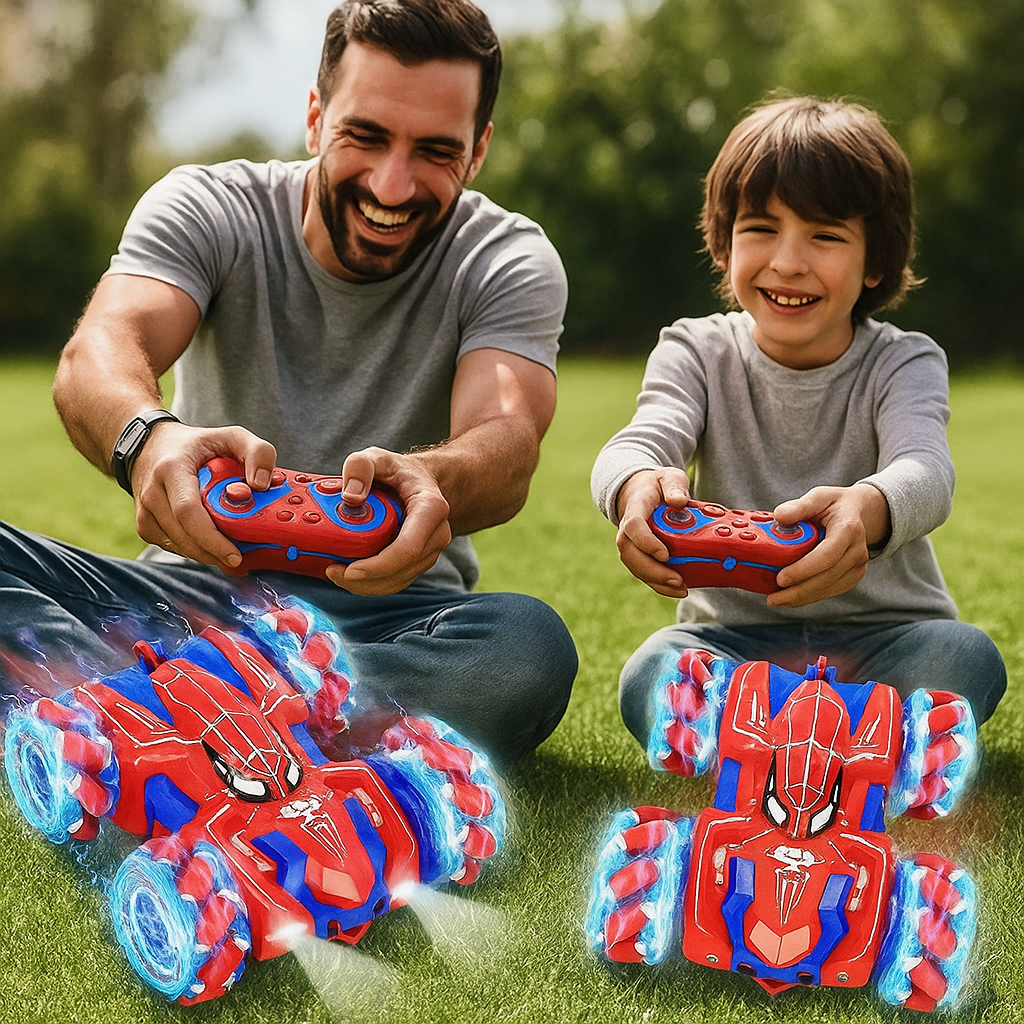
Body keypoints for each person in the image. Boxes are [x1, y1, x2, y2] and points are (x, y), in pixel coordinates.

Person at [0, 0, 577, 764]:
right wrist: (150, 441)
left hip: (395, 619)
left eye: (436, 151)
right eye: (364, 136)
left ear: (477, 152)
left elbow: (506, 437)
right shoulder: (209, 205)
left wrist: (433, 477)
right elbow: (101, 350)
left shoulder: (507, 258)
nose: (393, 185)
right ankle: (247, 723)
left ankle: (140, 717)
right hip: (188, 601)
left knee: (522, 654)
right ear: (314, 117)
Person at [590, 96, 1005, 751]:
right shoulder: (695, 349)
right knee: (652, 674)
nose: (788, 261)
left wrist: (866, 508)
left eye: (826, 235)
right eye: (760, 228)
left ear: (874, 262)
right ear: (724, 245)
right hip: (732, 640)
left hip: (887, 638)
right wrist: (634, 486)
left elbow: (926, 469)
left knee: (964, 658)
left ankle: (771, 738)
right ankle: (852, 740)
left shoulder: (904, 360)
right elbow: (644, 438)